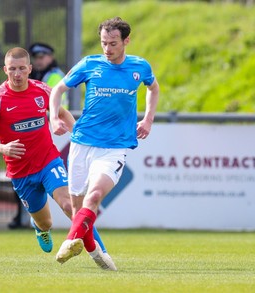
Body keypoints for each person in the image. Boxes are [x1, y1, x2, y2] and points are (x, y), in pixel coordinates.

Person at [0, 48, 114, 270]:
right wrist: (3, 148)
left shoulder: (42, 91)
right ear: (5, 70)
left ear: (30, 69)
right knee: (45, 221)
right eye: (12, 69)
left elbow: (63, 113)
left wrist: (78, 135)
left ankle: (101, 254)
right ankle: (40, 228)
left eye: (22, 68)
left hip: (49, 162)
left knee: (71, 206)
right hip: (21, 173)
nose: (17, 74)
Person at [49, 17, 160, 270]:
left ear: (126, 41)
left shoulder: (139, 67)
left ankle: (69, 242)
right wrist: (54, 117)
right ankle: (97, 254)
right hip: (82, 143)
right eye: (103, 43)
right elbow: (57, 90)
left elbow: (153, 89)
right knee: (77, 211)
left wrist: (148, 119)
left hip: (115, 147)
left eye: (112, 43)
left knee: (95, 195)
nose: (107, 49)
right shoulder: (90, 64)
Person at [7, 43, 67, 229]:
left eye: (43, 57)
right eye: (37, 57)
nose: (40, 60)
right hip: (22, 154)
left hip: (50, 139)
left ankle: (97, 249)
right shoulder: (27, 79)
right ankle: (31, 219)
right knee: (44, 220)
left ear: (50, 57)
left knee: (66, 202)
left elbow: (57, 106)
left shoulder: (53, 77)